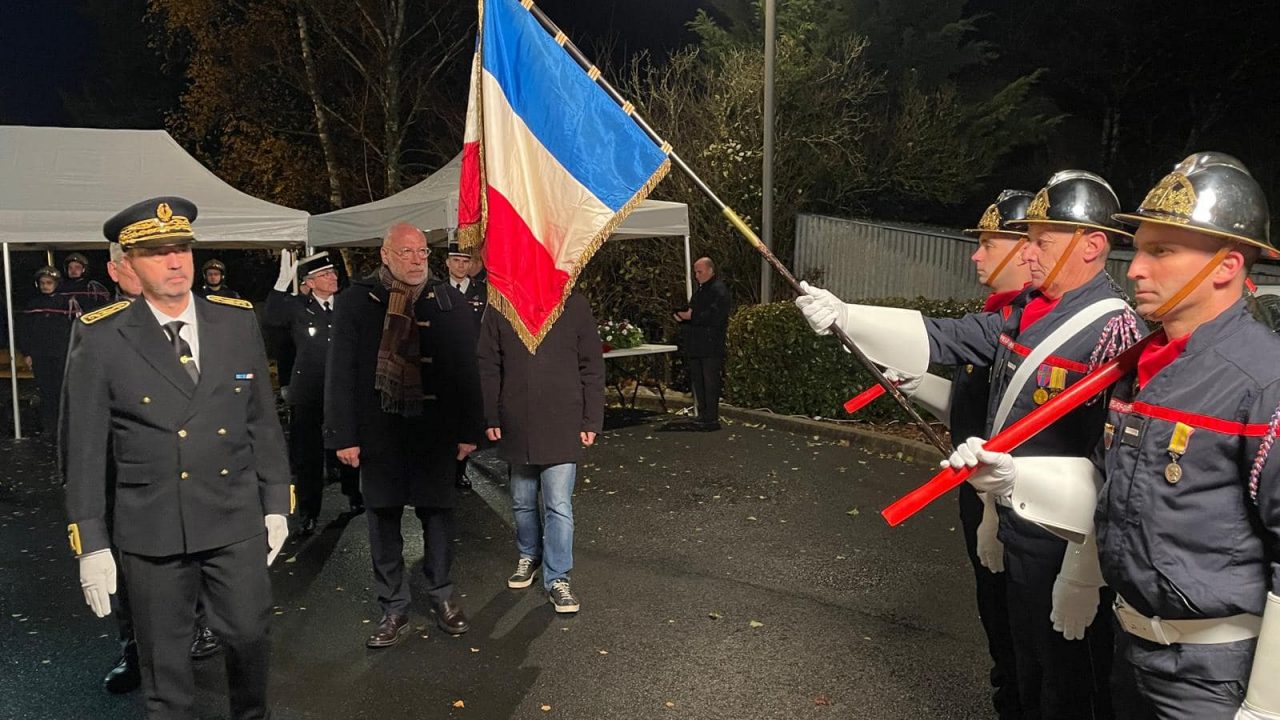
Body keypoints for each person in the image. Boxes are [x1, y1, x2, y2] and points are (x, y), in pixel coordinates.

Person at [798, 170, 1143, 720]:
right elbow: (946, 336)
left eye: (1040, 241)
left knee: (1069, 686)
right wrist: (847, 316)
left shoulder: (1115, 330)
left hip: (1063, 540)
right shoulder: (1023, 310)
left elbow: (1114, 470)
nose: (1026, 253)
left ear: (1093, 246)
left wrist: (1087, 568)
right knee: (1025, 666)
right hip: (1013, 522)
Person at [950, 153, 1280, 720]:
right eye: (1142, 248)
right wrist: (1018, 479)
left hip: (1215, 677)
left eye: (1161, 251)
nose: (1135, 269)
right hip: (1134, 649)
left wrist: (1268, 698)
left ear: (1226, 266)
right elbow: (1112, 491)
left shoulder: (1264, 383)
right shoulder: (1141, 367)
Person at [62, 196, 291, 720]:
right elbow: (84, 448)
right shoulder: (101, 337)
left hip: (233, 516)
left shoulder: (235, 322)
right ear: (129, 266)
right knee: (165, 671)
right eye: (156, 252)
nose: (174, 261)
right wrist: (91, 543)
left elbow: (261, 419)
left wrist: (276, 499)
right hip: (152, 528)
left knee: (251, 634)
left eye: (181, 249)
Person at [324, 222, 483, 646]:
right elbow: (339, 372)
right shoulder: (358, 301)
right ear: (385, 255)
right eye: (407, 252)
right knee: (383, 519)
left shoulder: (447, 298)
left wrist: (469, 430)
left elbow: (467, 370)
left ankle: (442, 594)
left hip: (435, 432)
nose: (416, 260)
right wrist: (344, 435)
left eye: (421, 253)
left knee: (438, 515)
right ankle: (393, 607)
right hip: (380, 431)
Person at [951, 189, 1035, 719]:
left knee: (1026, 642)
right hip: (983, 500)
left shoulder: (1025, 325)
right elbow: (975, 416)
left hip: (1019, 508)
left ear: (1025, 248)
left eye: (988, 243)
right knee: (999, 628)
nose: (976, 255)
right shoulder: (999, 316)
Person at [477, 290, 605, 613]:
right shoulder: (503, 303)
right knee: (521, 500)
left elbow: (592, 363)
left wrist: (592, 419)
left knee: (558, 505)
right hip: (517, 419)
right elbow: (489, 363)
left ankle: (558, 577)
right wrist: (491, 413)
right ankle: (529, 555)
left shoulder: (573, 302)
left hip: (563, 420)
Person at [265, 250, 363, 535]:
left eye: (333, 273)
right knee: (308, 456)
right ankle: (308, 512)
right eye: (325, 275)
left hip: (342, 391)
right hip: (309, 392)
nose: (333, 278)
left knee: (348, 445)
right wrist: (281, 284)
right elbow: (271, 317)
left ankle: (355, 494)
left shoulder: (344, 305)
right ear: (309, 282)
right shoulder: (298, 307)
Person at [673, 257, 731, 431]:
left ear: (710, 271)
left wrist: (692, 317)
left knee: (710, 381)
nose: (697, 276)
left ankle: (711, 417)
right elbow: (694, 312)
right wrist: (682, 317)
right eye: (696, 272)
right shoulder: (701, 291)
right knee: (699, 381)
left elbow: (715, 316)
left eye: (700, 272)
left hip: (711, 344)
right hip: (697, 342)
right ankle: (704, 414)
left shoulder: (719, 290)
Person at [19, 266, 74, 436]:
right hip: (40, 355)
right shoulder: (33, 305)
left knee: (62, 391)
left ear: (56, 283)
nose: (45, 286)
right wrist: (27, 353)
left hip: (62, 354)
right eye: (42, 283)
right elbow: (24, 330)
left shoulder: (67, 303)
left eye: (49, 283)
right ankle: (48, 427)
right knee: (45, 391)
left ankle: (65, 427)